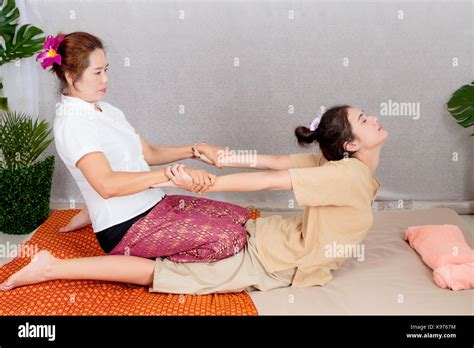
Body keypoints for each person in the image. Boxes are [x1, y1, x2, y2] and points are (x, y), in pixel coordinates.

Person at [0, 102, 388, 293]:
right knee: (171, 275)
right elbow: (271, 170)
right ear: (350, 144)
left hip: (276, 242)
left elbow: (274, 172)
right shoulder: (346, 173)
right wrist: (217, 159)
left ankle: (104, 208)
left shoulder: (343, 170)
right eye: (366, 118)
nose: (374, 119)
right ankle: (50, 267)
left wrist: (206, 181)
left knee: (232, 220)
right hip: (277, 259)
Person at [38, 32, 251, 263]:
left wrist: (196, 149)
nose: (105, 80)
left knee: (241, 217)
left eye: (106, 70)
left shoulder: (106, 110)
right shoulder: (73, 124)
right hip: (126, 227)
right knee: (232, 238)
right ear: (70, 75)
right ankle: (143, 268)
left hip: (155, 204)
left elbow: (148, 153)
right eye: (97, 73)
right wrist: (172, 175)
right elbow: (106, 185)